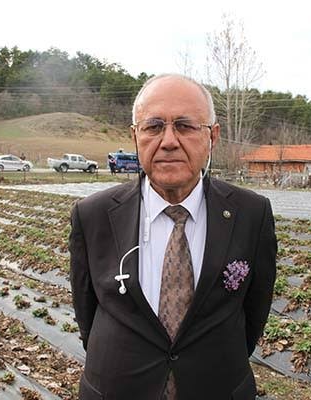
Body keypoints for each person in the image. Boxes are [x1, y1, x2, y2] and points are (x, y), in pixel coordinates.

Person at [69, 74, 277, 400]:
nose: (168, 141)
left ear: (212, 136)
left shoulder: (251, 213)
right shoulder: (93, 215)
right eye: (153, 127)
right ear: (135, 136)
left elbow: (253, 314)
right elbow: (87, 315)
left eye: (185, 126)